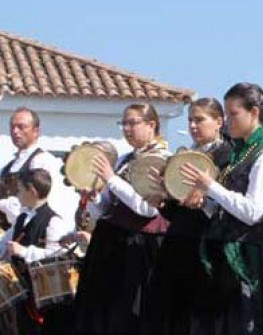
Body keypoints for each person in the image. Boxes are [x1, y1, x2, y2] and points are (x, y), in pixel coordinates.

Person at [180, 82, 263, 334]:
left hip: (255, 259)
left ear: (254, 112)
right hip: (229, 257)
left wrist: (210, 186)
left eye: (234, 114)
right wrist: (204, 201)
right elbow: (227, 210)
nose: (227, 122)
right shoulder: (241, 153)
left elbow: (252, 211)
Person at [74, 103, 171, 334]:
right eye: (124, 123)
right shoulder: (125, 159)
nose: (127, 129)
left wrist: (111, 179)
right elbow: (107, 209)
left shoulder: (161, 159)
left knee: (131, 314)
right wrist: (95, 197)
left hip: (139, 245)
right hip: (112, 242)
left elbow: (147, 208)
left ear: (151, 125)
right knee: (102, 313)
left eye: (132, 123)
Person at [142, 98, 233, 334]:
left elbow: (228, 204)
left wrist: (203, 202)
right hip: (178, 242)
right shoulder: (183, 157)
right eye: (190, 120)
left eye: (199, 120)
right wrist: (162, 199)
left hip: (208, 247)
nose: (193, 126)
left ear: (219, 122)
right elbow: (177, 209)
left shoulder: (228, 157)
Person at [0, 168, 76, 334]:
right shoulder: (22, 217)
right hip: (19, 291)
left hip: (39, 297)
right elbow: (4, 244)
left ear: (32, 191)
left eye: (20, 190)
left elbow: (58, 256)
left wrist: (25, 251)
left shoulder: (53, 221)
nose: (17, 194)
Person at [0, 107, 78, 230]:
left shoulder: (43, 161)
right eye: (12, 127)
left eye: (21, 127)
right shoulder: (8, 166)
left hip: (31, 233)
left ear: (36, 131)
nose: (15, 131)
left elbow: (44, 202)